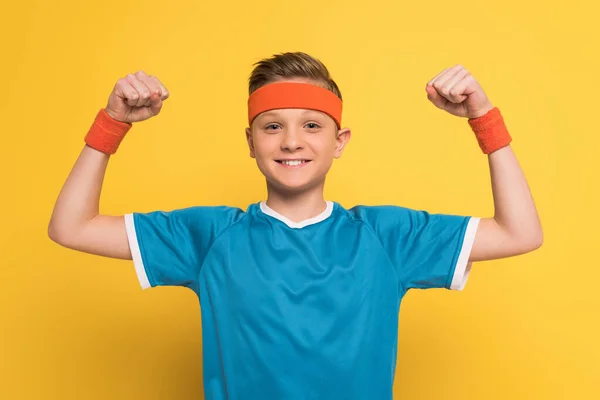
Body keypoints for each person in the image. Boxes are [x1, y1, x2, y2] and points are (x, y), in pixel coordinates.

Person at [48, 52, 543, 399]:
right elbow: (72, 226)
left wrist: (483, 118)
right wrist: (114, 122)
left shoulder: (387, 237)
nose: (290, 141)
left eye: (311, 125)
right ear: (250, 141)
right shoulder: (209, 236)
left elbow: (520, 233)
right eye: (272, 125)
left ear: (340, 140)